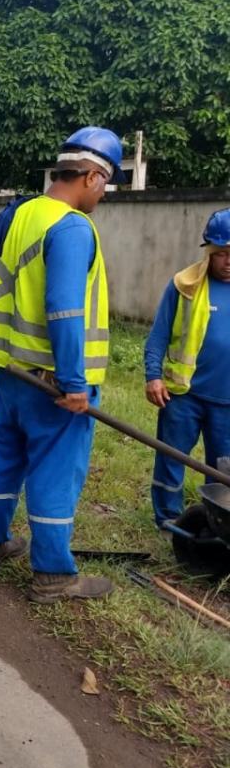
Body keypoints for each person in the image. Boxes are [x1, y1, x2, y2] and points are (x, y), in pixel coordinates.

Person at [0, 126, 122, 604]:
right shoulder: (72, 227)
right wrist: (74, 382)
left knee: (4, 457)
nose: (102, 195)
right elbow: (65, 308)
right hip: (53, 382)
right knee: (56, 472)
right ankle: (54, 575)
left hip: (12, 369)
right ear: (93, 177)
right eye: (106, 184)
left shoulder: (20, 214)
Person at [143, 208, 230, 528]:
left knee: (224, 470)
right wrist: (153, 376)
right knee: (171, 458)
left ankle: (219, 525)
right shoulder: (184, 286)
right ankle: (168, 521)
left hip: (228, 403)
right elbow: (158, 336)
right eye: (221, 253)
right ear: (209, 251)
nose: (228, 260)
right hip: (184, 397)